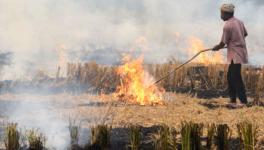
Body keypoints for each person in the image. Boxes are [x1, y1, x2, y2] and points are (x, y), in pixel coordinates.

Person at [213, 3, 248, 106]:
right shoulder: (240, 22)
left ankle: (243, 102)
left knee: (236, 77)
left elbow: (222, 42)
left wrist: (217, 47)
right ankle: (233, 101)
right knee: (230, 76)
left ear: (226, 13)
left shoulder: (227, 26)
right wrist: (236, 40)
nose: (221, 16)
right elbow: (245, 34)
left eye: (222, 14)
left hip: (235, 54)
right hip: (240, 51)